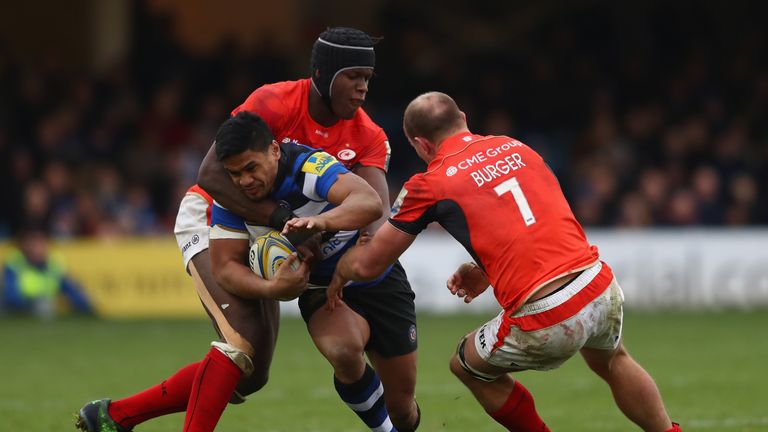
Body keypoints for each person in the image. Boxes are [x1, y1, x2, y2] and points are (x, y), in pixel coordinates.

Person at [76, 26, 419, 432]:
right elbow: (211, 173)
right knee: (242, 344)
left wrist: (326, 237)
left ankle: (114, 417)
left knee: (252, 374)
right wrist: (283, 223)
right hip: (213, 216)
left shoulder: (367, 135)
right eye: (353, 76)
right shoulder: (274, 102)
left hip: (276, 233)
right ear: (324, 73)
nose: (362, 88)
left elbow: (371, 209)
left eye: (368, 78)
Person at [327, 91, 682, 432]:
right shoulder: (517, 147)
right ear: (463, 118)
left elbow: (369, 265)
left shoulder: (429, 183)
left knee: (465, 365)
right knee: (614, 360)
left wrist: (338, 267)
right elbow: (538, 220)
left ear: (420, 145)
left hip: (547, 313)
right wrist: (487, 270)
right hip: (597, 284)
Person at [1, 226, 93, 318]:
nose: (38, 248)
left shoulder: (54, 265)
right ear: (25, 246)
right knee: (43, 306)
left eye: (41, 244)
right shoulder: (15, 264)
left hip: (42, 307)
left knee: (45, 306)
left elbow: (71, 289)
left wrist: (86, 308)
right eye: (34, 244)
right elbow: (11, 295)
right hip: (18, 308)